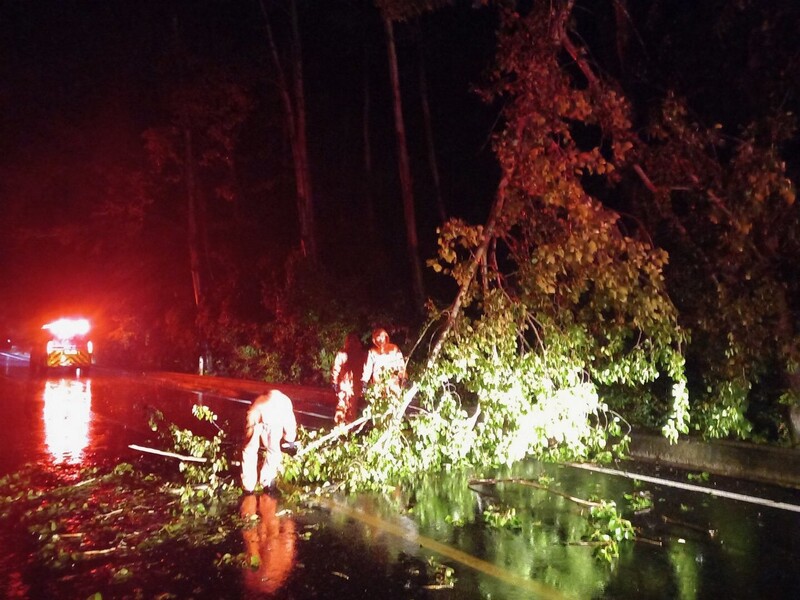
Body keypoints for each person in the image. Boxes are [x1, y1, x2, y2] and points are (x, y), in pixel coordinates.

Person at [241, 390, 297, 493]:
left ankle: (248, 486)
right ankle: (267, 481)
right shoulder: (285, 403)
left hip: (254, 414)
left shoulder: (261, 398)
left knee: (249, 450)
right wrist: (290, 442)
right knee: (273, 451)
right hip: (272, 420)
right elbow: (290, 424)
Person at [331, 332, 367, 425]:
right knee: (342, 406)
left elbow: (366, 370)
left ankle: (347, 429)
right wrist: (335, 382)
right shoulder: (343, 354)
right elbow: (336, 368)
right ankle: (340, 426)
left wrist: (364, 384)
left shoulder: (362, 355)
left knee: (351, 407)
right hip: (345, 385)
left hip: (354, 386)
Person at [361, 328, 406, 400]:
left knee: (395, 402)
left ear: (386, 336)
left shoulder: (393, 348)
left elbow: (400, 364)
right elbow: (368, 367)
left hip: (393, 381)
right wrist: (364, 381)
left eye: (382, 336)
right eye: (378, 337)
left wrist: (403, 377)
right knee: (380, 405)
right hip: (379, 384)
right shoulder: (372, 351)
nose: (380, 339)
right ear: (374, 339)